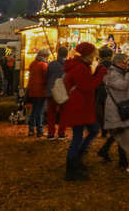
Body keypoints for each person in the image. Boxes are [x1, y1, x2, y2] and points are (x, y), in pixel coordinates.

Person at [64, 43, 107, 181]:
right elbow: (87, 88)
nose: (95, 57)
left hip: (80, 105)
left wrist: (96, 73)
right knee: (78, 136)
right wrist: (100, 75)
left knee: (93, 129)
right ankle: (73, 165)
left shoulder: (79, 66)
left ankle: (77, 158)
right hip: (79, 106)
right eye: (94, 54)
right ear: (89, 55)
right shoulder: (81, 68)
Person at [45, 47, 68, 140]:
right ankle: (61, 133)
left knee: (51, 112)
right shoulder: (69, 64)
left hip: (52, 90)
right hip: (63, 90)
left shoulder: (52, 64)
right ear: (67, 54)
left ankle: (51, 133)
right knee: (64, 112)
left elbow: (47, 76)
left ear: (58, 54)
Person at [27, 48, 51, 138]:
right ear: (44, 56)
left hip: (33, 90)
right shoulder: (43, 65)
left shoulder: (33, 63)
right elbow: (46, 77)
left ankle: (31, 129)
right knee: (39, 111)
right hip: (41, 90)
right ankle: (39, 130)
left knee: (34, 110)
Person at [95, 46, 114, 139]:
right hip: (112, 91)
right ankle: (112, 130)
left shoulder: (100, 66)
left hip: (102, 90)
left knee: (103, 112)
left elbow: (96, 79)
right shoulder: (114, 65)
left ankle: (104, 131)